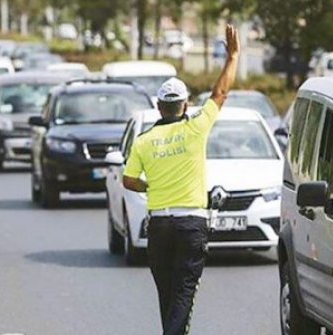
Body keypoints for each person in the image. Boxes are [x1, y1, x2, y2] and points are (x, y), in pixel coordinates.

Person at [122, 24, 240, 334]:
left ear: (159, 107)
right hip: (191, 225)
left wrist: (151, 186)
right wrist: (233, 57)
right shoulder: (196, 128)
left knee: (168, 294)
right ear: (185, 105)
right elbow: (220, 92)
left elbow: (129, 180)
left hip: (159, 226)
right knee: (184, 293)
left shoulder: (145, 140)